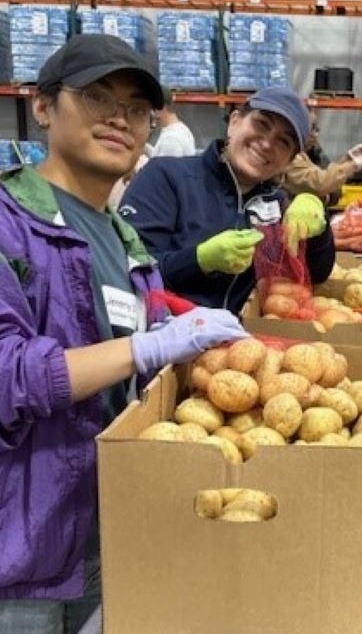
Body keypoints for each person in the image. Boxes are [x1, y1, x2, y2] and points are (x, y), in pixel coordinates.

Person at [0, 34, 247, 632]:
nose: (120, 118)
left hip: (108, 524)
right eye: (96, 97)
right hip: (23, 544)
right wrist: (144, 347)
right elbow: (7, 376)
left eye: (138, 108)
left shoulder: (125, 242)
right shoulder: (10, 223)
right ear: (42, 105)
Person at [119, 86, 336, 314]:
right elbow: (129, 270)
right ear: (234, 122)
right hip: (164, 339)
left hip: (238, 343)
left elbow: (315, 274)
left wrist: (319, 224)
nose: (267, 144)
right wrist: (198, 259)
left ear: (289, 161)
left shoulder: (276, 204)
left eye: (283, 142)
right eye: (262, 124)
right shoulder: (165, 178)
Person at [281, 108, 362, 205]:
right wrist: (354, 165)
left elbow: (325, 175)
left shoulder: (303, 153)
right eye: (312, 129)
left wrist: (348, 158)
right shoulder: (289, 157)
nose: (315, 134)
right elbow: (319, 182)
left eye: (317, 129)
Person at [148, 84, 196, 158]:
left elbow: (162, 168)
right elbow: (159, 157)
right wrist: (142, 147)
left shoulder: (171, 139)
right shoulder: (180, 129)